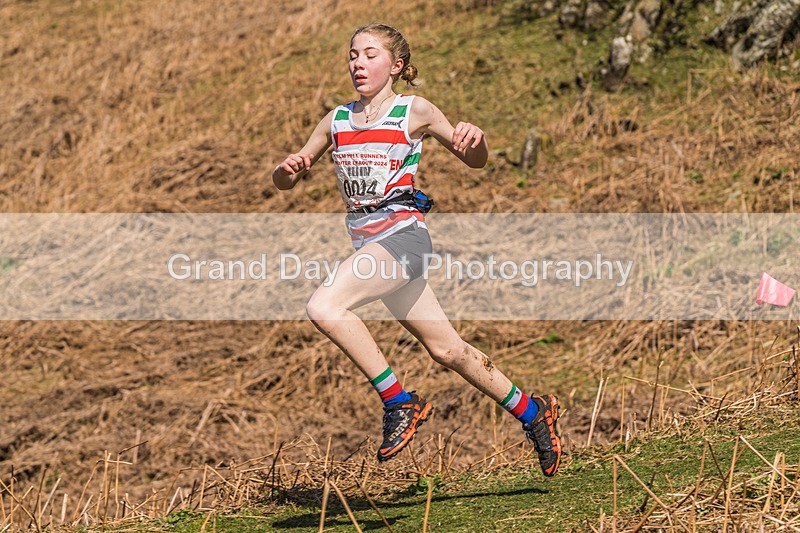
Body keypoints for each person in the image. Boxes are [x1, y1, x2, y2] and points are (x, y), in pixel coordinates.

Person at [272, 23, 562, 476]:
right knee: (449, 352)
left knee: (324, 306)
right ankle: (533, 412)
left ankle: (399, 401)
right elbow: (287, 176)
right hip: (373, 250)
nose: (358, 63)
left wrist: (476, 139)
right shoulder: (336, 120)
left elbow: (474, 159)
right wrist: (288, 169)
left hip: (404, 241)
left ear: (396, 66)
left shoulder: (415, 110)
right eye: (353, 55)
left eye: (370, 55)